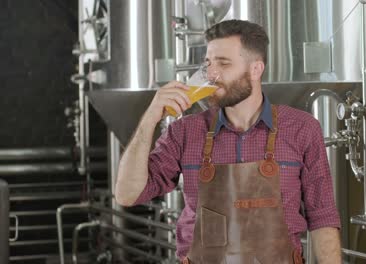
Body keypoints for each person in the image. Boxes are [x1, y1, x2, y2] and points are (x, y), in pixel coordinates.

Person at [116, 19, 342, 264]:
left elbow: (323, 218)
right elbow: (127, 194)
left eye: (223, 64)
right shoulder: (184, 132)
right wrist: (150, 118)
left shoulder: (302, 128)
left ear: (256, 69)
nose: (212, 74)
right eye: (208, 64)